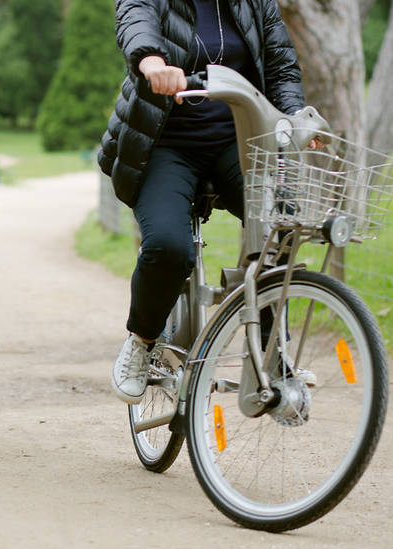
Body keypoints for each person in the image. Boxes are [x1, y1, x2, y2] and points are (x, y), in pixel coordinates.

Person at [98, 0, 319, 403]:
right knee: (168, 246)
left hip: (238, 141)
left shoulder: (255, 3)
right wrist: (151, 62)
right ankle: (142, 340)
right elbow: (136, 22)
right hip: (163, 143)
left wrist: (293, 116)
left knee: (280, 225)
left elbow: (280, 64)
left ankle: (273, 354)